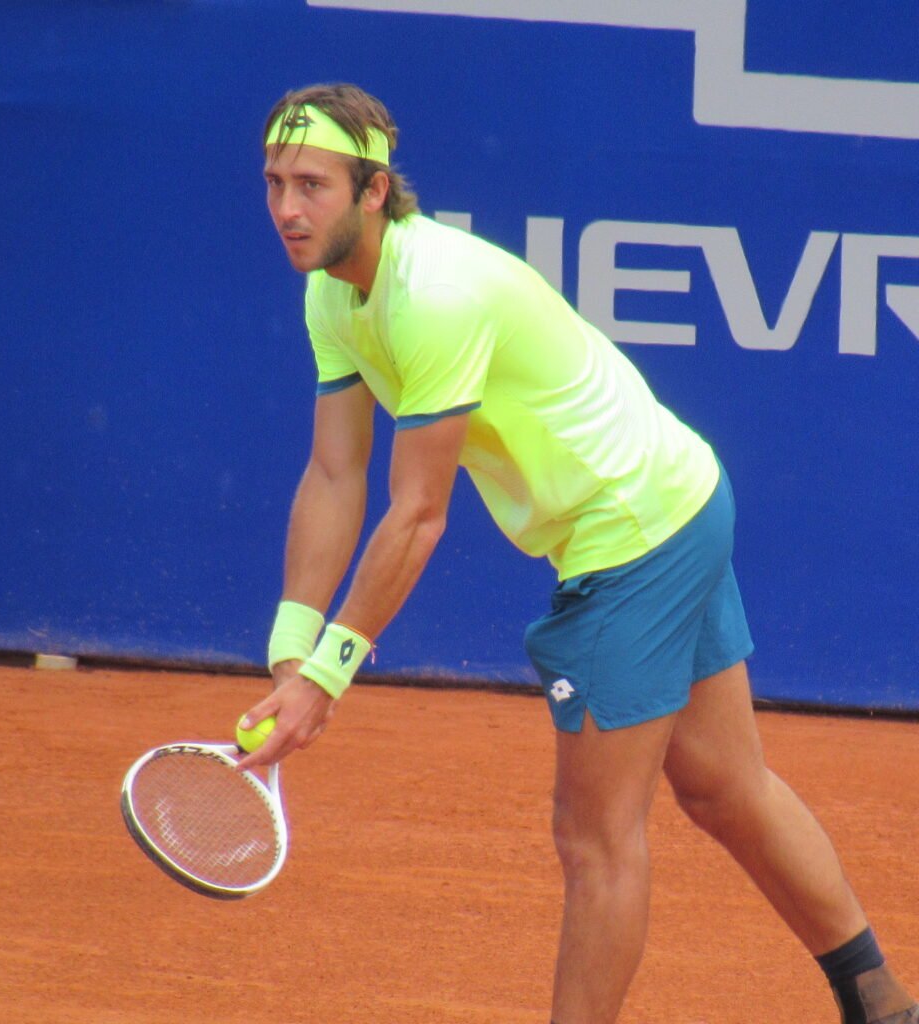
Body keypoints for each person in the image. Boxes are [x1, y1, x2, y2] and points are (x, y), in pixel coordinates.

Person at [236, 82, 917, 1024]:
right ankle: (879, 998)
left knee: (594, 836)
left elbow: (417, 514)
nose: (285, 208)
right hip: (679, 492)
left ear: (375, 189)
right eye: (274, 182)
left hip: (632, 535)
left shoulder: (433, 294)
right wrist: (291, 644)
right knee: (724, 785)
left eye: (311, 184)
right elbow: (333, 475)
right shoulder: (332, 297)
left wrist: (327, 675)